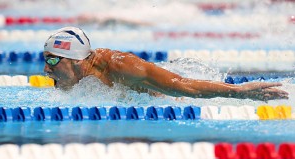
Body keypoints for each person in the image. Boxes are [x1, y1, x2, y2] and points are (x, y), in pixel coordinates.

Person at [43, 27, 288, 101]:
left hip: (172, 96)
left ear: (76, 59)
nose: (46, 70)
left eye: (52, 60)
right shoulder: (72, 77)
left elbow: (181, 86)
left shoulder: (122, 67)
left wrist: (238, 93)